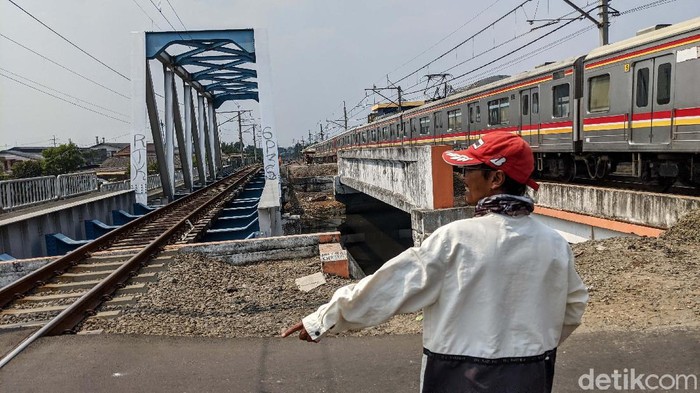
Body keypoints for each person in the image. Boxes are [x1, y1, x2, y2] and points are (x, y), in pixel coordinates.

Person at [282, 132, 588, 393]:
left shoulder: (456, 239)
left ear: (495, 178)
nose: (462, 177)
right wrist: (535, 345)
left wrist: (325, 318)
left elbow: (391, 286)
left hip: (458, 376)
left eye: (469, 170)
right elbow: (573, 307)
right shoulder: (554, 243)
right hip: (530, 376)